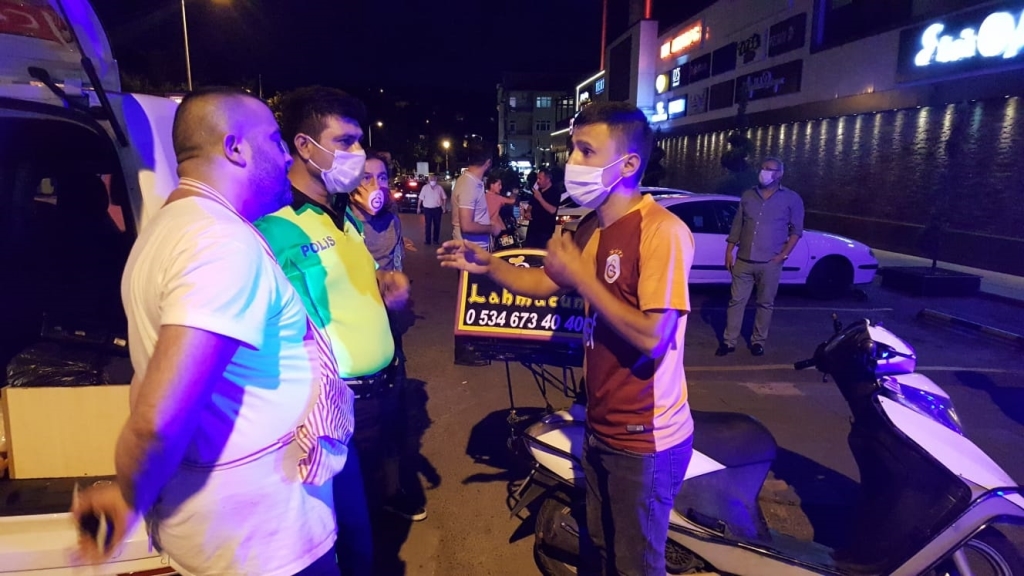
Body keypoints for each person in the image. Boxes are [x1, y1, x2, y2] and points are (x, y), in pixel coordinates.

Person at [72, 87, 349, 575]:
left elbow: (152, 377)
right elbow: (157, 419)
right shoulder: (219, 244)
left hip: (231, 537)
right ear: (235, 148)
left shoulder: (170, 229)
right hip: (262, 548)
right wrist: (128, 494)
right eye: (275, 141)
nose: (287, 156)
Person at [438, 101, 695, 575]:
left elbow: (653, 337)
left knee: (635, 565)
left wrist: (583, 278)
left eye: (586, 151)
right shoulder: (592, 226)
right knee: (597, 548)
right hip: (600, 425)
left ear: (628, 164)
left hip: (646, 439)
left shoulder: (662, 231)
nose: (573, 162)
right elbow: (543, 282)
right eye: (574, 149)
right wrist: (489, 265)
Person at [253, 87, 417, 576]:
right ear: (305, 146)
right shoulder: (272, 228)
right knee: (349, 540)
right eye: (344, 142)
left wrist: (388, 290)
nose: (357, 154)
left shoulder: (345, 217)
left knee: (373, 522)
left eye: (359, 142)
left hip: (382, 393)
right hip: (336, 410)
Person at [717, 156, 804, 357]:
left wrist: (783, 255)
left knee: (765, 303)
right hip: (743, 259)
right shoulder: (748, 195)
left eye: (769, 169)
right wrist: (729, 251)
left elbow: (796, 231)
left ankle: (758, 341)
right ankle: (729, 341)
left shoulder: (791, 199)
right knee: (736, 301)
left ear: (779, 174)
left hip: (770, 262)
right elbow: (738, 224)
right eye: (763, 168)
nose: (764, 172)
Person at [352, 151, 405, 272]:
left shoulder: (392, 223)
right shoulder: (339, 226)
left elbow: (397, 265)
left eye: (382, 178)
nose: (376, 185)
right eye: (366, 178)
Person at [451, 142, 503, 251]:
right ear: (488, 162)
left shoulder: (471, 181)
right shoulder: (469, 185)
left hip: (473, 250)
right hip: (470, 252)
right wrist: (492, 229)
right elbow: (467, 226)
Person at [523, 166, 561, 249]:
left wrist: (540, 199)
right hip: (533, 228)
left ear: (548, 179)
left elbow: (552, 210)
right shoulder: (537, 190)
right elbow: (530, 205)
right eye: (537, 178)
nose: (537, 181)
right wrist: (528, 212)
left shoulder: (554, 192)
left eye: (540, 179)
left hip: (544, 230)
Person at [418, 173, 447, 245]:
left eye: (434, 179)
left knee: (437, 225)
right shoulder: (425, 188)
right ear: (428, 180)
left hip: (437, 209)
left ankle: (435, 240)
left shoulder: (439, 188)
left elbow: (444, 198)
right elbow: (420, 198)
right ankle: (428, 240)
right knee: (428, 225)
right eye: (431, 179)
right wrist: (418, 207)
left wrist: (444, 207)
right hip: (427, 209)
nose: (432, 180)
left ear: (436, 180)